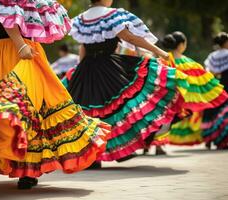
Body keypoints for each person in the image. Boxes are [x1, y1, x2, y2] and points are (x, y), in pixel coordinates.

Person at [0, 0, 110, 194]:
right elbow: (9, 18)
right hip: (15, 53)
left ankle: (18, 170)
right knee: (8, 109)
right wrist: (20, 45)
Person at [63, 0, 227, 163]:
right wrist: (158, 51)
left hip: (86, 68)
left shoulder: (81, 19)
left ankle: (94, 157)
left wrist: (79, 70)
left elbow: (83, 47)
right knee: (121, 108)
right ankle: (120, 148)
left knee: (91, 111)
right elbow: (129, 37)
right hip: (109, 66)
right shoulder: (111, 15)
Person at [154, 31, 227, 147]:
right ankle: (159, 144)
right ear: (181, 45)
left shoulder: (162, 60)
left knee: (158, 119)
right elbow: (200, 78)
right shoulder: (188, 62)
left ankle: (154, 144)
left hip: (162, 96)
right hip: (181, 100)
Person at [201, 32, 228, 149]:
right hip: (227, 85)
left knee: (212, 111)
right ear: (226, 42)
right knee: (225, 112)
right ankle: (222, 140)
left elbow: (208, 70)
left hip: (214, 86)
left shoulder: (212, 56)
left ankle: (209, 139)